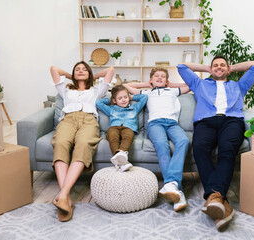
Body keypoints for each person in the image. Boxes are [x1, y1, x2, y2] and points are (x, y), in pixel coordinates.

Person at [177, 56, 254, 231]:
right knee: (199, 148)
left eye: (222, 65)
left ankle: (214, 197)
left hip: (231, 121)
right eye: (215, 65)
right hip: (205, 122)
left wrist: (231, 68)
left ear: (228, 68)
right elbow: (181, 66)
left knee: (227, 150)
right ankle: (221, 200)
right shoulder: (200, 84)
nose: (219, 67)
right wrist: (207, 68)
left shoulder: (238, 85)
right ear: (210, 68)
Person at [50, 61, 114, 222]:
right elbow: (54, 69)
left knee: (84, 145)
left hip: (88, 120)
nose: (81, 71)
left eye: (84, 69)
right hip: (68, 120)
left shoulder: (96, 90)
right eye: (77, 69)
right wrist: (70, 76)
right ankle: (66, 199)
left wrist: (91, 75)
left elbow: (110, 70)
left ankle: (63, 195)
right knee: (60, 143)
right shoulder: (65, 90)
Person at [124, 67, 190, 212]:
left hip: (172, 123)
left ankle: (171, 185)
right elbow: (126, 86)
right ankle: (176, 189)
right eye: (156, 76)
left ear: (167, 81)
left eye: (163, 77)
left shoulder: (173, 91)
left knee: (184, 141)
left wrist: (172, 84)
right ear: (151, 80)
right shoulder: (146, 93)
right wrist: (147, 84)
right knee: (162, 145)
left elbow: (190, 85)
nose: (159, 78)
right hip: (155, 124)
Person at [96, 85, 148, 172]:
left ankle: (120, 159)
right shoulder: (111, 109)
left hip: (128, 128)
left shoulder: (134, 108)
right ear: (115, 100)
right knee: (112, 136)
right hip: (114, 128)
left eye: (125, 97)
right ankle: (122, 163)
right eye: (120, 98)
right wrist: (110, 100)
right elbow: (98, 103)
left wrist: (131, 97)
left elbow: (144, 97)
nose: (123, 100)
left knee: (128, 136)